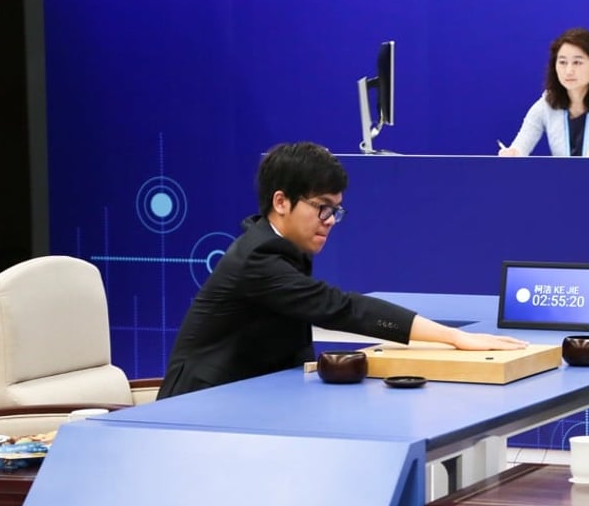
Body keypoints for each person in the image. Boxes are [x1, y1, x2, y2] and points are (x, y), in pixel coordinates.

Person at [157, 142, 527, 398]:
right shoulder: (258, 258)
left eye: (336, 210)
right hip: (199, 407)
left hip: (251, 397)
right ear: (281, 201)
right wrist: (455, 337)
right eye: (322, 207)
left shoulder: (282, 246)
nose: (330, 220)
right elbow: (342, 308)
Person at [498, 28, 589, 157]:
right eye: (562, 62)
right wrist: (513, 153)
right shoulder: (547, 102)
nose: (569, 71)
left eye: (577, 62)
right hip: (560, 172)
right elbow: (520, 145)